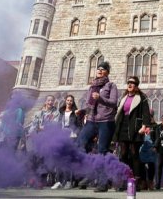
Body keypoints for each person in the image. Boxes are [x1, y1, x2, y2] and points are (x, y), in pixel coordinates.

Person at [77, 61, 118, 192]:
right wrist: (82, 110)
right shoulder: (92, 87)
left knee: (102, 151)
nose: (100, 70)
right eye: (98, 68)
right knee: (81, 143)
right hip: (91, 119)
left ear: (107, 72)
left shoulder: (111, 85)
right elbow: (90, 104)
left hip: (106, 121)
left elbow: (113, 103)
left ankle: (103, 182)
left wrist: (100, 98)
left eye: (103, 69)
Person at [113, 76, 150, 191]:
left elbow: (146, 113)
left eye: (132, 83)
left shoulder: (142, 98)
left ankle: (137, 181)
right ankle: (123, 180)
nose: (130, 84)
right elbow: (118, 113)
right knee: (123, 154)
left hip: (135, 127)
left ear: (136, 86)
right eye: (128, 82)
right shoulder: (123, 98)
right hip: (123, 126)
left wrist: (144, 126)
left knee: (134, 154)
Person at [51, 95, 82, 190]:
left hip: (71, 136)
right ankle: (59, 181)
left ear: (73, 102)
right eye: (67, 100)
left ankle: (68, 181)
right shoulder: (61, 112)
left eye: (71, 101)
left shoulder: (75, 113)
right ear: (65, 101)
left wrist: (76, 134)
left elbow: (79, 126)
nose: (69, 102)